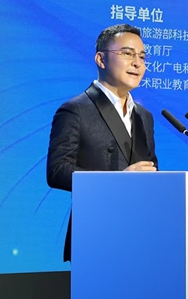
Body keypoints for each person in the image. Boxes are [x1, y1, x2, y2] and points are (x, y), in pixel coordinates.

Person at [46, 24, 158, 262]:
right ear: (101, 59)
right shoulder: (76, 110)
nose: (137, 63)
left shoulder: (144, 116)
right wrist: (115, 181)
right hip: (96, 233)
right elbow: (57, 171)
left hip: (140, 234)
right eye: (127, 54)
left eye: (142, 56)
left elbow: (150, 169)